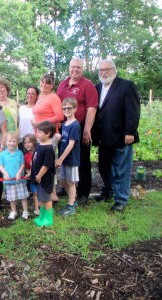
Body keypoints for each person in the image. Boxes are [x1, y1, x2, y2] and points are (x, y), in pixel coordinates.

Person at [92, 59, 140, 212]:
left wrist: (130, 132)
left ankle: (121, 199)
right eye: (101, 70)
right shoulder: (97, 88)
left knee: (121, 170)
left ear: (114, 70)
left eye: (107, 69)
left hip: (121, 137)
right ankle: (108, 191)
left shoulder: (126, 86)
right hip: (103, 137)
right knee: (104, 168)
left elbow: (133, 111)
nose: (104, 73)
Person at [57, 58, 98, 203]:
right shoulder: (62, 85)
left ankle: (82, 193)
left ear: (83, 69)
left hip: (79, 128)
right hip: (64, 128)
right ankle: (66, 187)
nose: (75, 70)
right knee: (65, 157)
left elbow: (91, 108)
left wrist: (87, 128)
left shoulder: (88, 85)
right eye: (73, 67)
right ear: (69, 68)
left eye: (78, 68)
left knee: (82, 161)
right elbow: (58, 107)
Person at [32, 73, 64, 203]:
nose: (44, 85)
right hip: (40, 136)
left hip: (49, 136)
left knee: (48, 164)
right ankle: (47, 193)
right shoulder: (40, 97)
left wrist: (41, 124)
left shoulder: (53, 97)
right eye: (43, 82)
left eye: (48, 83)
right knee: (42, 164)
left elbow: (60, 116)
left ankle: (53, 194)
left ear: (52, 86)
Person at [56, 98, 81, 216]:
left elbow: (71, 144)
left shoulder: (75, 125)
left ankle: (71, 206)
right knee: (63, 180)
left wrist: (60, 158)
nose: (66, 110)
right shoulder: (65, 124)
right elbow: (65, 139)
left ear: (75, 109)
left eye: (69, 108)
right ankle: (73, 200)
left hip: (71, 159)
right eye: (64, 108)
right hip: (64, 158)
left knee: (71, 182)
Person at [0, 131, 30, 220]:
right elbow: (0, 166)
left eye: (14, 141)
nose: (11, 143)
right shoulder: (3, 154)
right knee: (12, 198)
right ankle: (13, 211)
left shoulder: (19, 153)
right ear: (5, 142)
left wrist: (19, 172)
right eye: (9, 141)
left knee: (23, 196)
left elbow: (22, 165)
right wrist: (5, 173)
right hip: (9, 180)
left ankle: (25, 211)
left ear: (17, 143)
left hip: (19, 179)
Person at [31, 121, 56, 227]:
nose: (37, 134)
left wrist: (39, 175)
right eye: (37, 132)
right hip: (37, 178)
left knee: (46, 198)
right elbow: (36, 161)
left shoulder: (49, 148)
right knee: (41, 198)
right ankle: (42, 216)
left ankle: (48, 218)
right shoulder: (40, 145)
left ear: (48, 134)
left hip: (44, 178)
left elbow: (46, 165)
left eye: (40, 132)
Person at [22, 133, 39, 215]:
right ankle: (36, 208)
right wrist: (28, 171)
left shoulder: (39, 152)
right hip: (32, 178)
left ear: (34, 142)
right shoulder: (26, 156)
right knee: (35, 193)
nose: (27, 144)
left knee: (42, 193)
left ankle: (45, 207)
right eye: (25, 143)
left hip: (41, 176)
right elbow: (25, 167)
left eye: (29, 142)